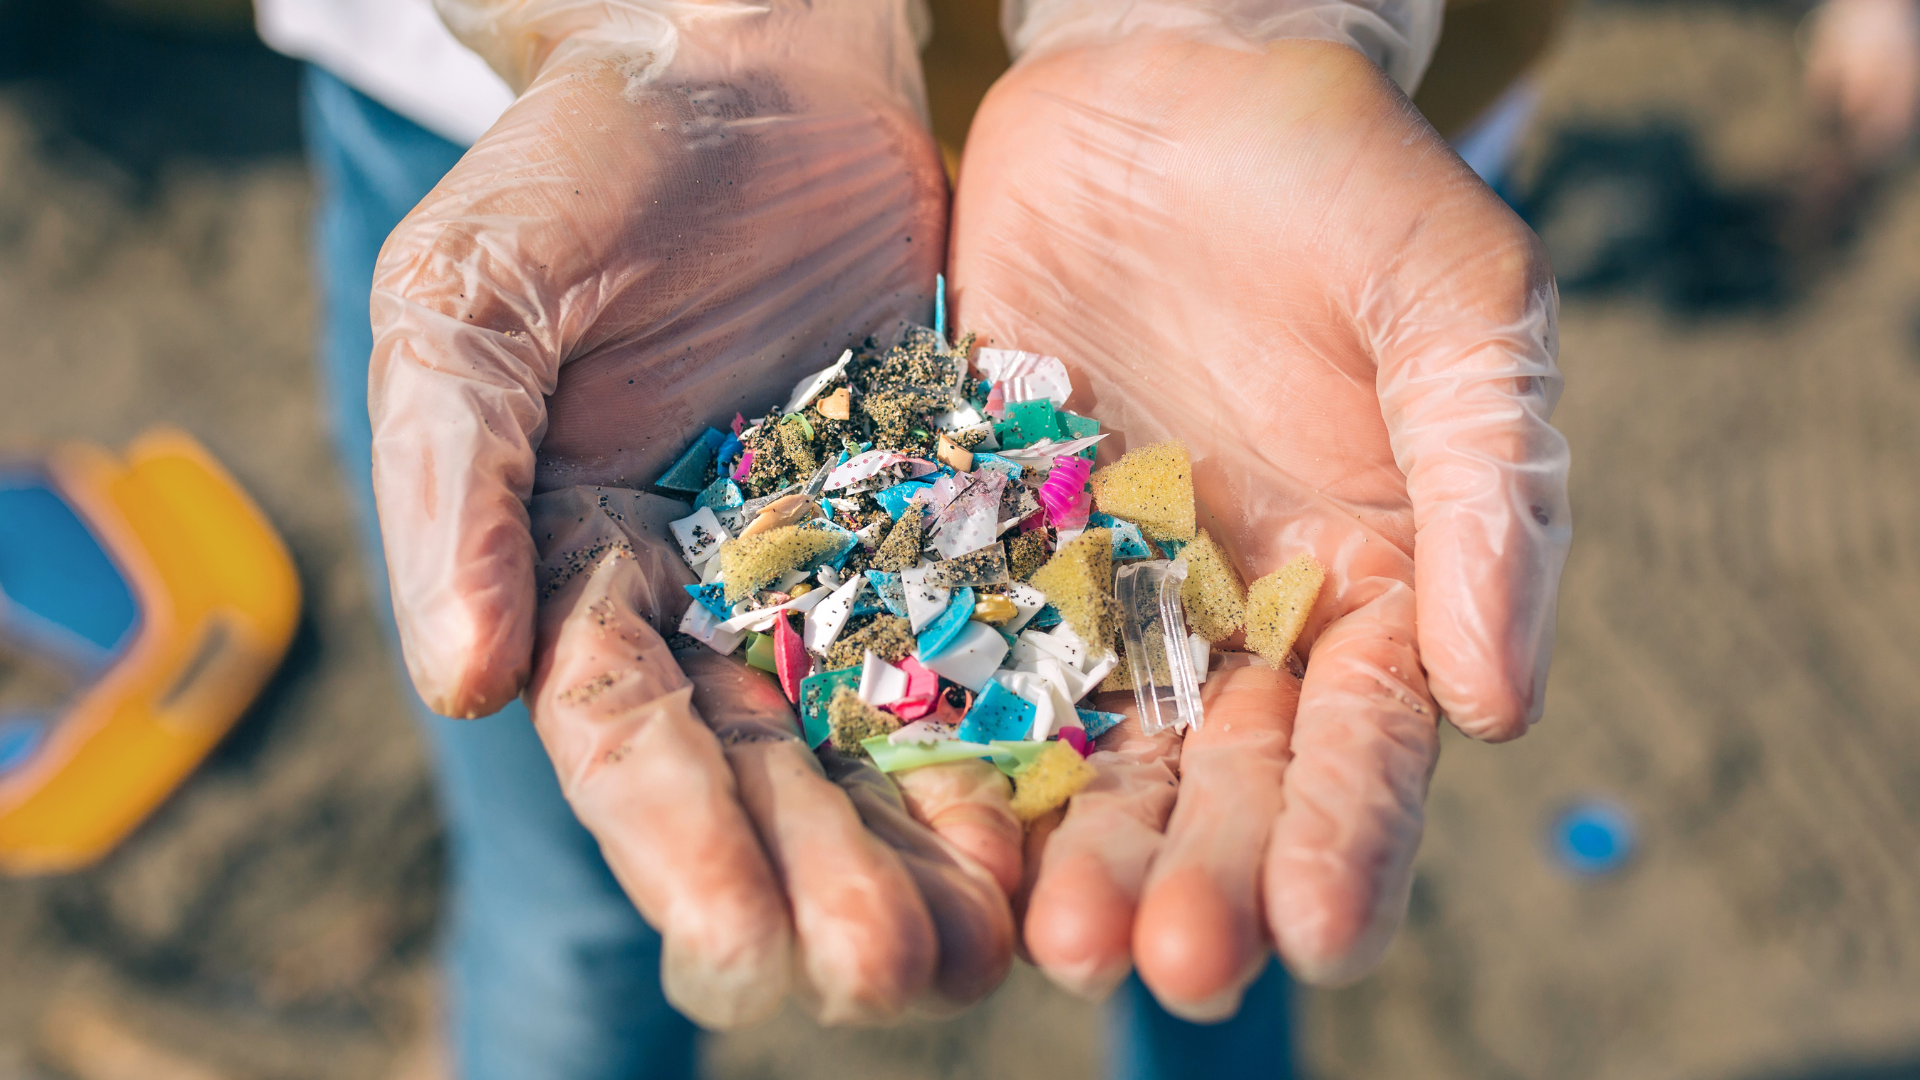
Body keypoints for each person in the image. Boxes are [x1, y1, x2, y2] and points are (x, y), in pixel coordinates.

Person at [256, 0, 1573, 1076]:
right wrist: (698, 26)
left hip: (1283, 179)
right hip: (580, 140)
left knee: (1221, 898)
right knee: (577, 905)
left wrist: (1228, 24)